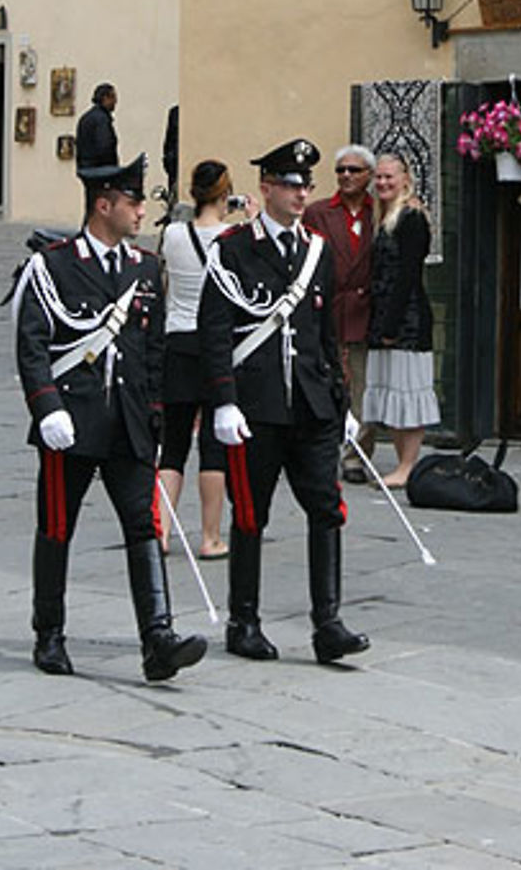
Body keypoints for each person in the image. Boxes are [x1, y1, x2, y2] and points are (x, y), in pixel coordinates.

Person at [12, 153, 206, 683]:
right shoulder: (53, 265)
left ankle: (158, 639)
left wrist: (159, 418)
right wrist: (47, 406)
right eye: (133, 201)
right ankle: (49, 634)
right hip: (71, 422)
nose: (142, 210)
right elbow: (32, 346)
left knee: (144, 526)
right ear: (104, 205)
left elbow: (153, 350)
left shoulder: (143, 268)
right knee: (56, 527)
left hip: (128, 422)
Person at [199, 137, 369, 666]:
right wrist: (224, 401)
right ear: (266, 188)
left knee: (327, 509)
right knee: (251, 516)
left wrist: (341, 405)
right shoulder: (233, 248)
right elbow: (215, 330)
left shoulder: (315, 251)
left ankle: (328, 623)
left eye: (306, 186)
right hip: (257, 405)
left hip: (311, 405)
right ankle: (243, 620)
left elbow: (322, 333)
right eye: (291, 184)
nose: (301, 194)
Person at [159, 159, 258, 559]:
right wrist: (253, 222)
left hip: (176, 342)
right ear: (225, 193)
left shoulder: (172, 234)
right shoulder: (236, 237)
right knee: (215, 447)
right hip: (217, 345)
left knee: (173, 445)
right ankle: (210, 536)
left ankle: (161, 532)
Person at [363, 153, 440, 488]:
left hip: (407, 319)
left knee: (408, 392)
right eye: (378, 177)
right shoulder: (385, 217)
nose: (382, 183)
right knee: (391, 393)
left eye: (389, 177)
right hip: (385, 316)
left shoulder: (412, 217)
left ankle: (408, 464)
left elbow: (408, 275)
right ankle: (400, 463)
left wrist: (392, 326)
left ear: (405, 178)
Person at [304, 144, 376, 483]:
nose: (346, 176)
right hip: (327, 311)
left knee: (362, 388)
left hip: (364, 311)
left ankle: (356, 456)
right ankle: (316, 449)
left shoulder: (380, 211)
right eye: (341, 170)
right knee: (323, 385)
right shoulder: (319, 212)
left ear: (369, 176)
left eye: (354, 170)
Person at [75, 83, 119, 173]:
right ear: (105, 98)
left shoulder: (85, 118)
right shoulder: (102, 119)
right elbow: (105, 146)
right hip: (100, 172)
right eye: (113, 97)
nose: (115, 101)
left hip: (86, 170)